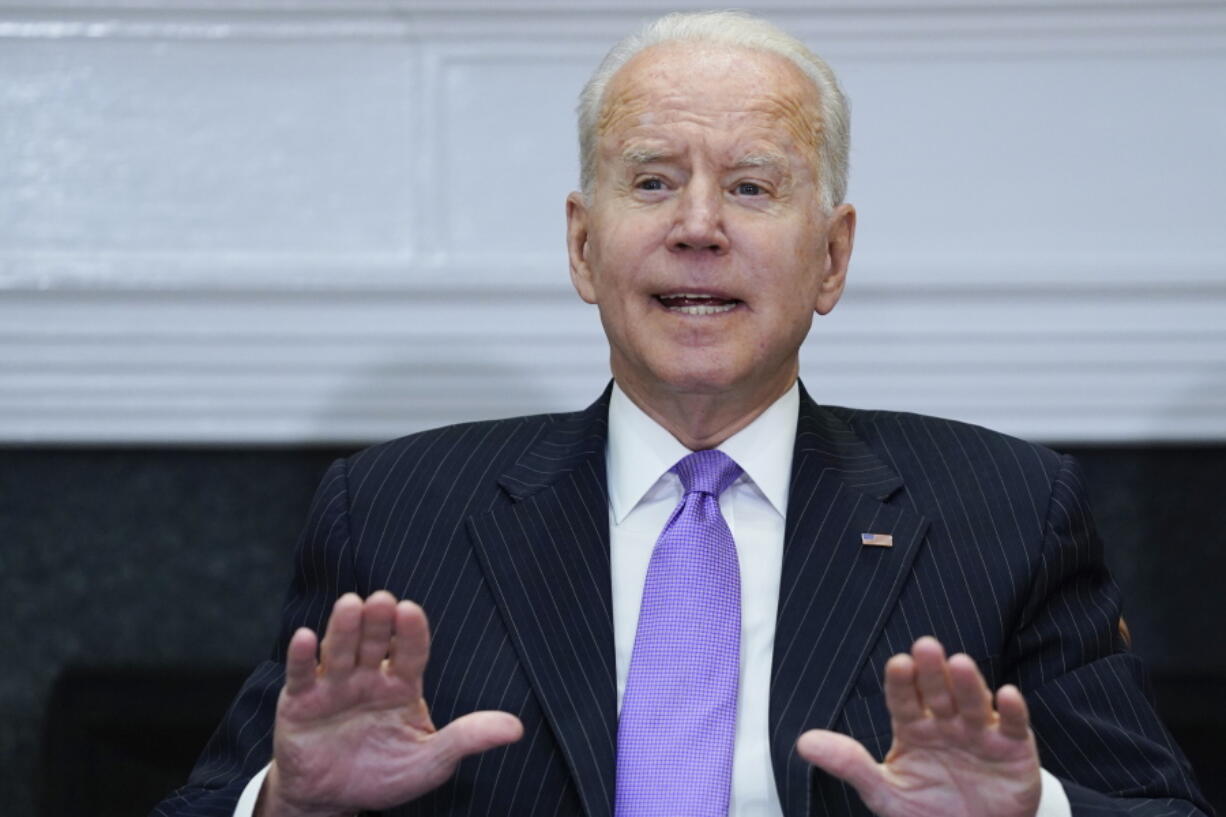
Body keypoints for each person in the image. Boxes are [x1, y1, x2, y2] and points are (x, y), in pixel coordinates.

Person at [152, 11, 1210, 817]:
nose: (697, 227)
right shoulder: (393, 513)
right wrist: (286, 804)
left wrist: (1034, 812)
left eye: (751, 188)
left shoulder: (1005, 514)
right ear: (580, 244)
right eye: (651, 182)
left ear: (831, 256)